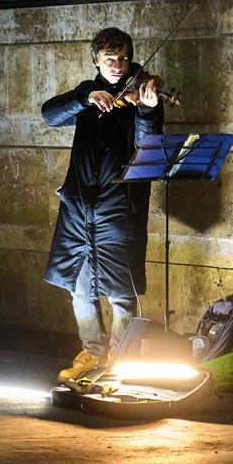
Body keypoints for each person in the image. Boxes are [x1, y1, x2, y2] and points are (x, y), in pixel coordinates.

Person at [41, 27, 164, 382]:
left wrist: (147, 111)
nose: (117, 65)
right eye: (110, 59)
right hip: (79, 207)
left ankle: (121, 361)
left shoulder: (140, 96)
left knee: (121, 291)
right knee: (79, 285)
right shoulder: (88, 95)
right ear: (96, 60)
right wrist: (85, 98)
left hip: (119, 208)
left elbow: (146, 147)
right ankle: (93, 353)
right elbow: (50, 115)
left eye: (123, 58)